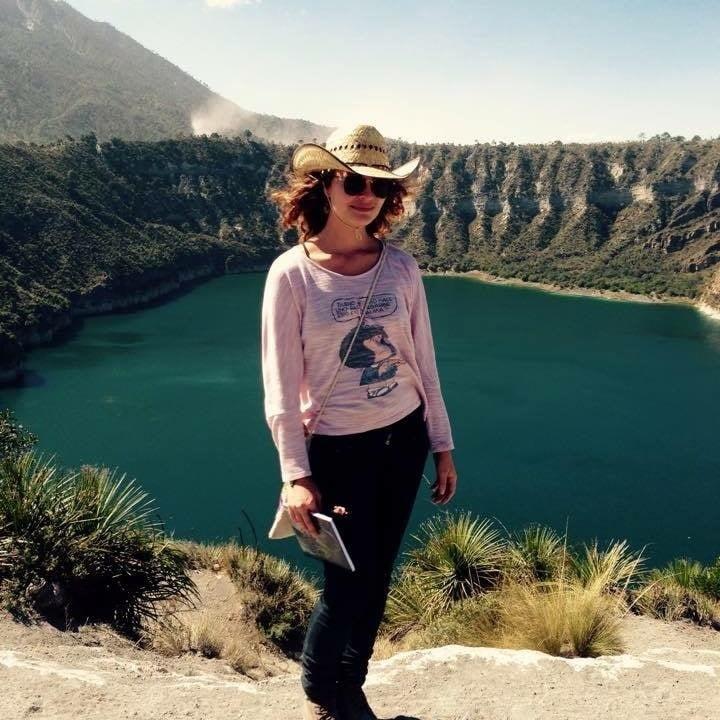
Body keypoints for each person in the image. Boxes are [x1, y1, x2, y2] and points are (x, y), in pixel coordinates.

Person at [261, 124, 458, 720]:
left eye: (379, 185)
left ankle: (353, 684)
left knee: (378, 576)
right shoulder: (292, 274)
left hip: (403, 437)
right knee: (346, 581)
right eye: (353, 182)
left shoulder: (401, 268)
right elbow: (279, 387)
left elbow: (423, 361)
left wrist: (442, 445)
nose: (367, 195)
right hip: (337, 451)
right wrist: (296, 474)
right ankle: (321, 694)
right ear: (324, 185)